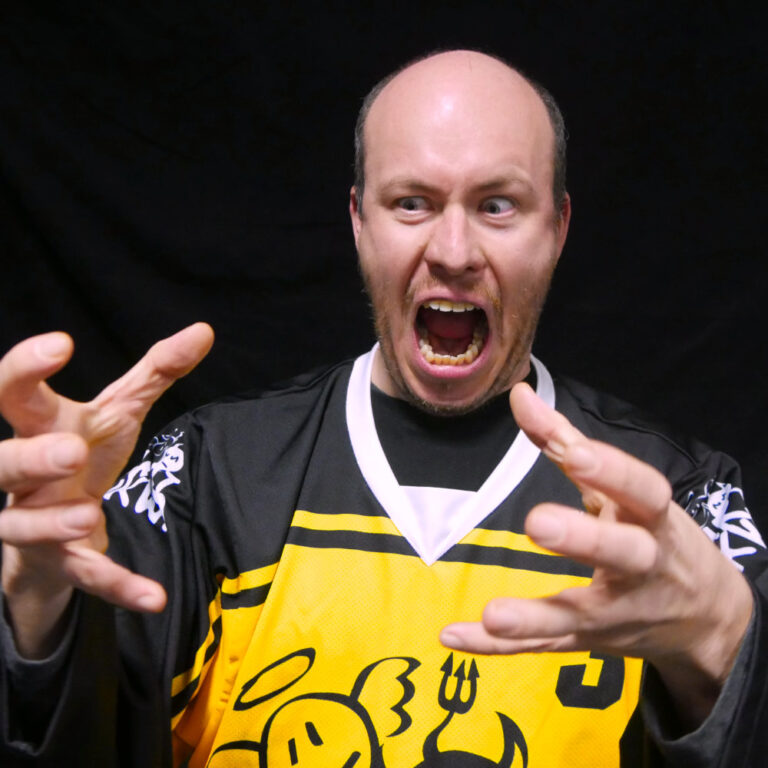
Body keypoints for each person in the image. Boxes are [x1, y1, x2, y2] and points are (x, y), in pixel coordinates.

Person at [1, 49, 766, 767]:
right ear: (359, 221)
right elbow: (82, 724)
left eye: (498, 205)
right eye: (412, 203)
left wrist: (724, 642)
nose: (454, 251)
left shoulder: (672, 500)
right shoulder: (210, 476)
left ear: (557, 229)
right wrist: (36, 602)